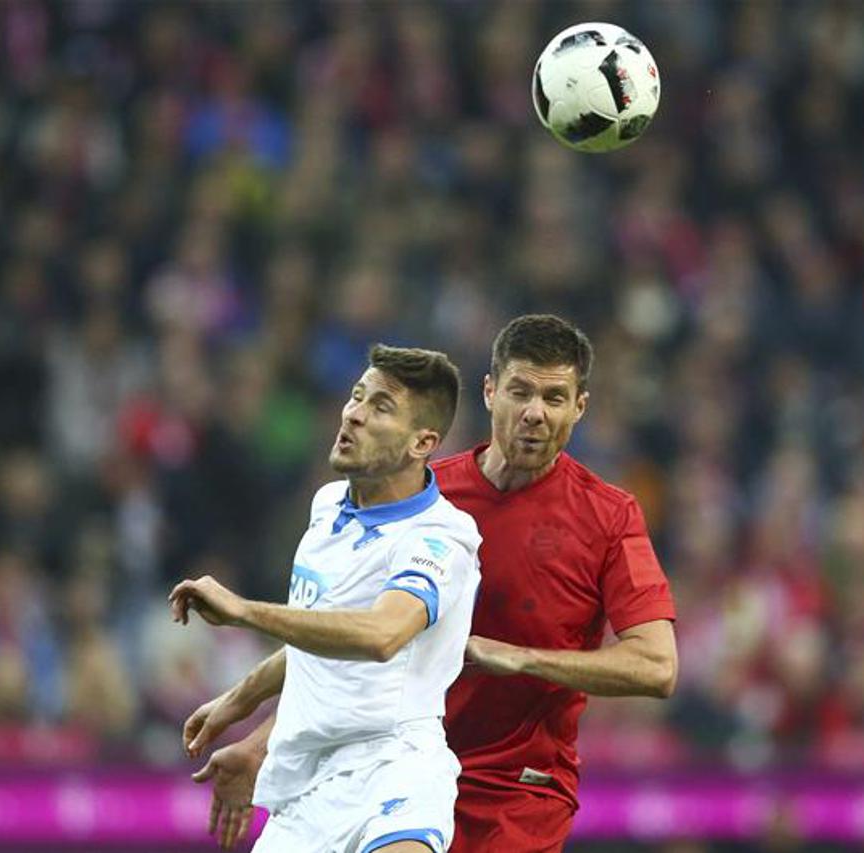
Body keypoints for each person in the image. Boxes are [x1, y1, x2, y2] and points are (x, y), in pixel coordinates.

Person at [188, 315, 678, 853]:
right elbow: (347, 638)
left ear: (579, 407)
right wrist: (261, 735)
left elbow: (656, 666)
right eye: (520, 391)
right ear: (491, 393)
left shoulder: (608, 517)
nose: (535, 413)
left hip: (515, 794)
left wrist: (524, 658)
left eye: (555, 398)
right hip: (389, 765)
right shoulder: (421, 496)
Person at [168, 344, 481, 853]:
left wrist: (245, 612)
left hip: (395, 775)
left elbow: (381, 635)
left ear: (422, 442)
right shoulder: (327, 507)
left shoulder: (441, 537)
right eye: (357, 397)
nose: (354, 413)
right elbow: (325, 641)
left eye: (380, 407)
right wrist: (245, 708)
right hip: (307, 796)